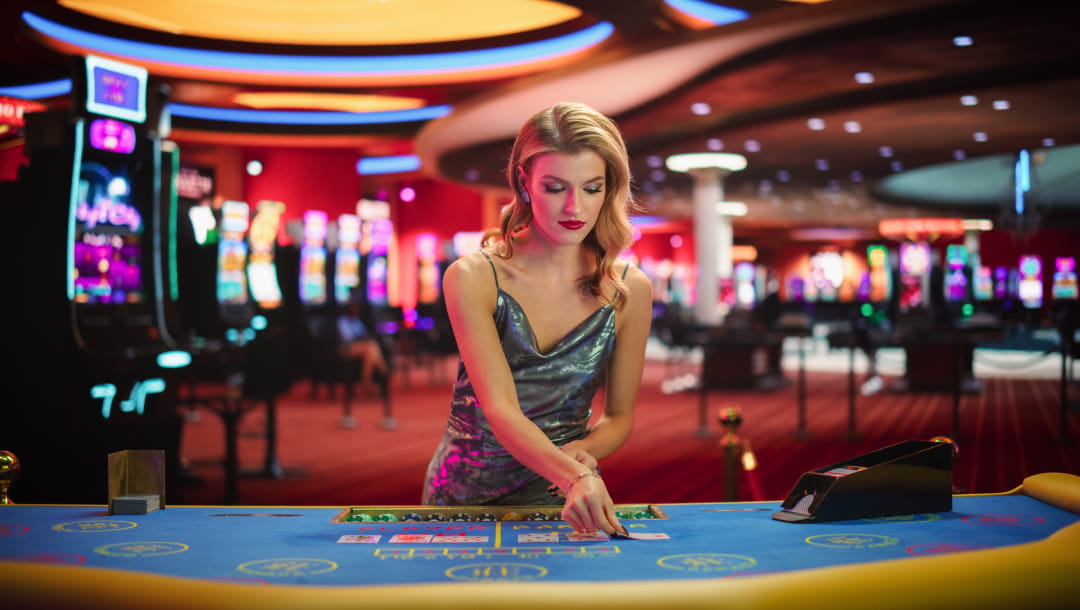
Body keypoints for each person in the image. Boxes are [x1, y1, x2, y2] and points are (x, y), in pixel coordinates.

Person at [422, 102, 653, 536]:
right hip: (466, 493)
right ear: (524, 182)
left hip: (562, 490)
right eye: (555, 187)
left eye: (592, 188)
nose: (574, 207)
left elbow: (618, 418)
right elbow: (500, 408)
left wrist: (582, 453)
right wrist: (576, 474)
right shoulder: (474, 276)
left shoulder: (628, 287)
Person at [337, 300, 388, 385]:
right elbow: (348, 338)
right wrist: (361, 337)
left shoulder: (356, 320)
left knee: (370, 354)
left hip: (361, 347)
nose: (356, 312)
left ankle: (367, 382)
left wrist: (366, 336)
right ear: (348, 311)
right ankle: (383, 371)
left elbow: (363, 333)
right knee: (372, 347)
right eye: (353, 310)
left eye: (357, 310)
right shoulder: (342, 321)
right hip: (346, 349)